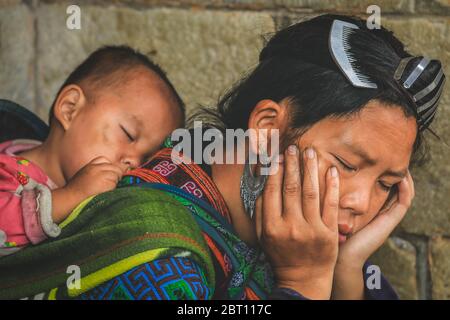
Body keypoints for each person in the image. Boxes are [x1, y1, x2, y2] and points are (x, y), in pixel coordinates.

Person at [0, 14, 445, 300]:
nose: (362, 203)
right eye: (347, 165)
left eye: (386, 184)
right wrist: (304, 284)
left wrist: (347, 271)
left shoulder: (315, 244)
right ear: (268, 129)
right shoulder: (157, 251)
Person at [0, 45, 184, 256]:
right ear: (70, 109)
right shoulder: (8, 170)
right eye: (129, 134)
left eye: (147, 159)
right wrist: (70, 196)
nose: (134, 162)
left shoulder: (103, 207)